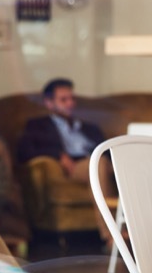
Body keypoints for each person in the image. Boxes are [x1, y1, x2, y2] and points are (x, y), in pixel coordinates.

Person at [17, 77, 115, 243]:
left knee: (127, 166)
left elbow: (105, 148)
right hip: (76, 166)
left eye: (72, 98)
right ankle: (112, 236)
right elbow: (25, 152)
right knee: (99, 165)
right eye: (63, 100)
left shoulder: (88, 127)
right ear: (49, 103)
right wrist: (58, 155)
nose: (70, 103)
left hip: (102, 161)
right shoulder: (37, 126)